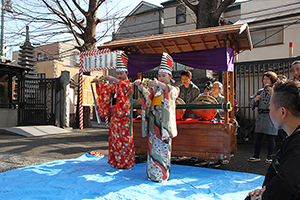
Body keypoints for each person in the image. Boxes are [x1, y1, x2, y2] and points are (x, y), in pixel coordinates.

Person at [245, 80, 300, 200]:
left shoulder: (297, 144)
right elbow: (275, 171)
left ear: (282, 112)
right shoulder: (291, 138)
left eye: (270, 107)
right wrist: (265, 190)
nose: (270, 111)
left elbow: (287, 183)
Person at [134, 52, 179, 182]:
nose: (161, 78)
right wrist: (140, 86)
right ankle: (152, 173)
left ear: (170, 76)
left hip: (164, 124)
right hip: (155, 123)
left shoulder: (173, 88)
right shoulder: (157, 90)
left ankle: (162, 175)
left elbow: (171, 92)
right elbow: (148, 95)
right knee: (153, 148)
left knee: (163, 150)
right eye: (159, 76)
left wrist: (159, 85)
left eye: (164, 76)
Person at [93, 52, 135, 169]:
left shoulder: (128, 85)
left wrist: (114, 80)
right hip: (115, 115)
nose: (119, 75)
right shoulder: (115, 85)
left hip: (125, 117)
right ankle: (116, 161)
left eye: (121, 73)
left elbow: (126, 88)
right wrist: (98, 83)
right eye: (117, 74)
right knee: (116, 139)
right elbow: (104, 91)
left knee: (125, 139)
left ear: (126, 73)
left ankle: (126, 162)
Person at [248, 71, 279, 164]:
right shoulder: (260, 91)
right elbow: (252, 101)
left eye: (267, 79)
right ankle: (256, 155)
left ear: (272, 80)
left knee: (271, 137)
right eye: (264, 79)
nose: (265, 81)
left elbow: (279, 102)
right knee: (258, 136)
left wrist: (272, 94)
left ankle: (270, 156)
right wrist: (255, 100)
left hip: (271, 116)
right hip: (261, 115)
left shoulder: (276, 90)